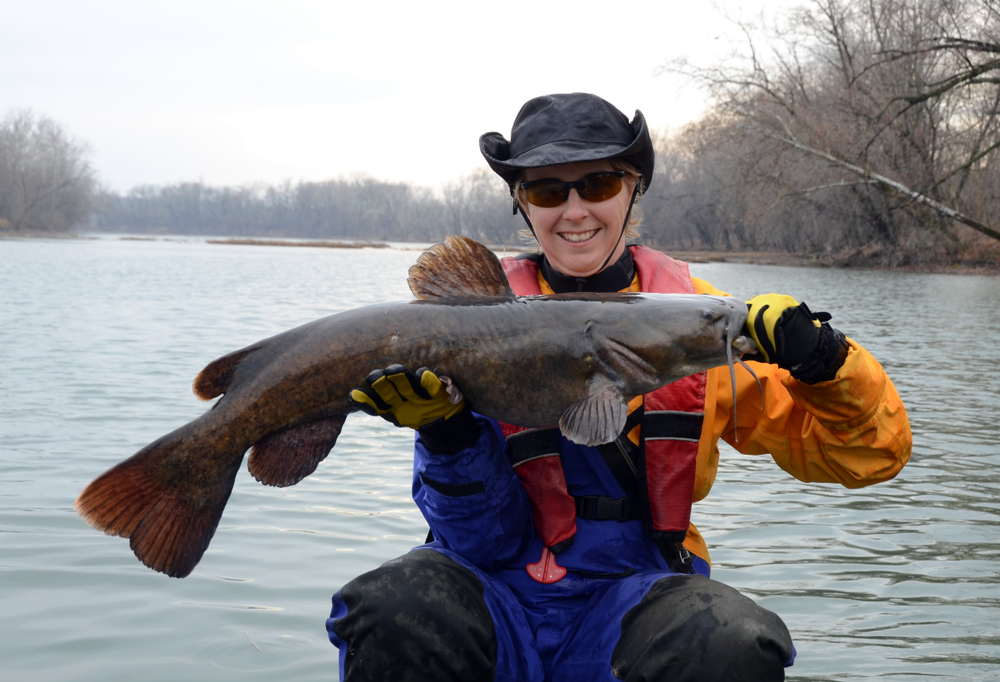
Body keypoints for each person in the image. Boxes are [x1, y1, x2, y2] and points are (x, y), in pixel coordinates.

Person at [326, 93, 912, 682]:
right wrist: (448, 435)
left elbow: (869, 454)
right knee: (394, 604)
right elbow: (481, 541)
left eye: (599, 184)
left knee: (731, 638)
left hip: (632, 602)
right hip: (491, 593)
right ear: (522, 204)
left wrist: (824, 358)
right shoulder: (466, 321)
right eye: (549, 191)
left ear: (633, 190)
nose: (575, 211)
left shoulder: (712, 329)